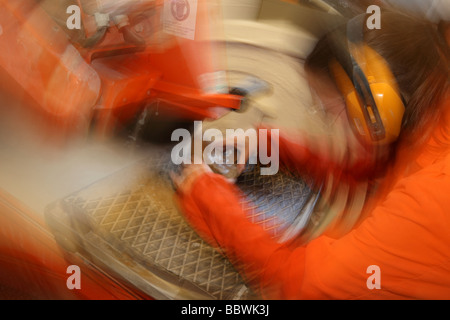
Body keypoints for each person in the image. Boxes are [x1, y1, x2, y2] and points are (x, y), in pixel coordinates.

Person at [171, 10, 450, 299]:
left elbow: (307, 285)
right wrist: (268, 143)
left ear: (378, 110)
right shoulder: (431, 110)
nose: (330, 122)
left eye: (329, 111)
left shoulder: (433, 195)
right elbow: (372, 172)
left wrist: (207, 193)